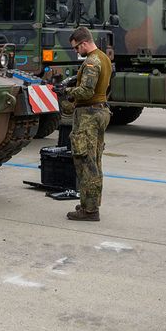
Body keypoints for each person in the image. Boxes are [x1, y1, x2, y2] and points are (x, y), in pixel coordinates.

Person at [65, 26, 113, 221]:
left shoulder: (92, 61)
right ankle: (89, 202)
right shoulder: (103, 57)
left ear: (84, 43)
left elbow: (86, 91)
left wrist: (67, 91)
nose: (76, 51)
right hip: (100, 111)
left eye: (76, 48)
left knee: (86, 161)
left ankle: (90, 210)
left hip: (89, 115)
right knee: (95, 160)